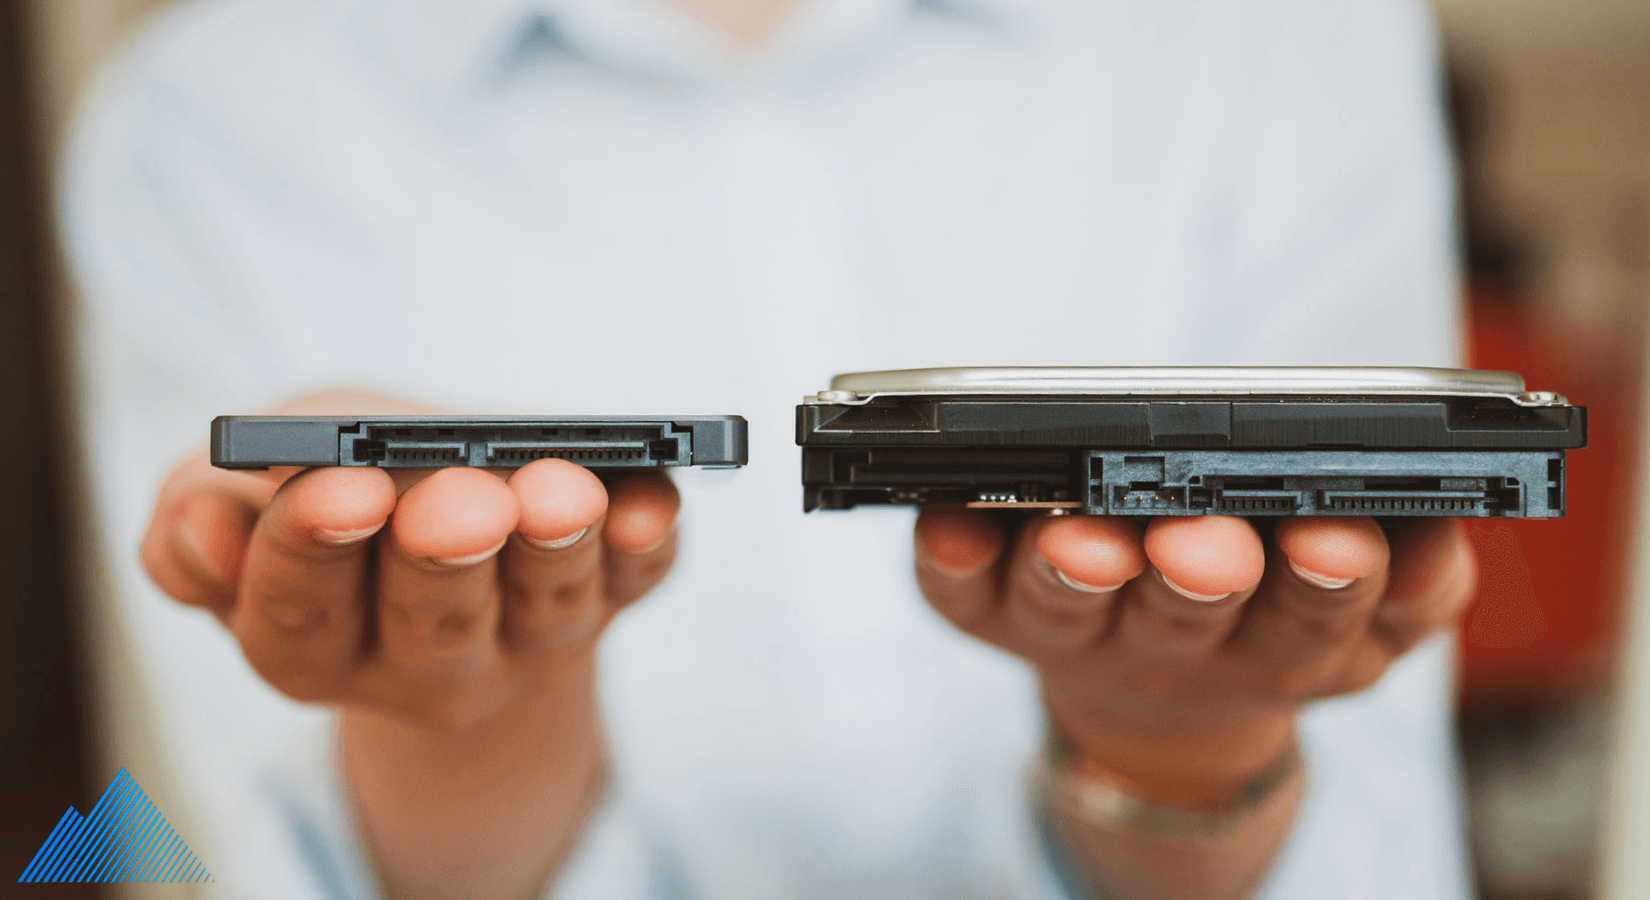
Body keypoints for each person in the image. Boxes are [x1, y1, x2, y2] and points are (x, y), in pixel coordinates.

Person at [60, 0, 1476, 897]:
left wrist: (1178, 740)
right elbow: (239, 855)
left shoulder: (1296, 38)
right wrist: (467, 721)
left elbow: (1380, 844)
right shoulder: (205, 129)